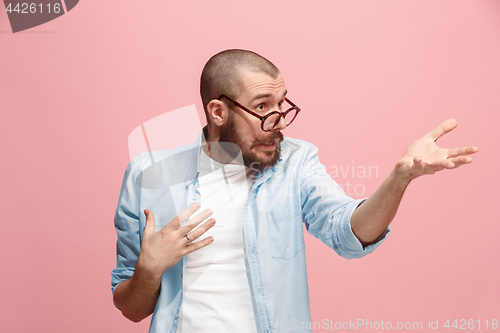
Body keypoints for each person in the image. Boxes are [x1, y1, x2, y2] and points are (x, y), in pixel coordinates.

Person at [111, 49, 478, 333]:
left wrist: (399, 180)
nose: (278, 123)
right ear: (218, 112)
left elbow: (347, 232)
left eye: (281, 104)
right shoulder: (149, 174)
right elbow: (132, 308)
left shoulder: (296, 162)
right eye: (262, 108)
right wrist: (149, 269)